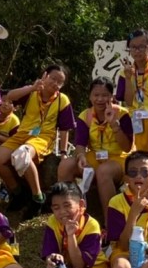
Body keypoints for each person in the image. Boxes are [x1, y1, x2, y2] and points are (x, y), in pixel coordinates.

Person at [0, 65, 76, 205]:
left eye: (59, 82)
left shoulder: (63, 100)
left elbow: (65, 129)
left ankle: (38, 198)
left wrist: (64, 152)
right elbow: (10, 96)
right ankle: (17, 192)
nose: (55, 84)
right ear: (44, 75)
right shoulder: (32, 92)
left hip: (43, 137)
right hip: (22, 134)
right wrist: (32, 88)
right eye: (53, 78)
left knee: (23, 155)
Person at [57, 78, 134, 218]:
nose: (100, 99)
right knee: (65, 165)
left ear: (111, 97)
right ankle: (70, 213)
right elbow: (80, 144)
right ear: (90, 96)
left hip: (119, 158)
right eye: (96, 95)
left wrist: (115, 126)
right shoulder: (85, 116)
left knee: (103, 172)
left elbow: (127, 147)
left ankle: (110, 223)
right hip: (95, 156)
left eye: (104, 95)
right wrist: (80, 156)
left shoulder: (122, 114)